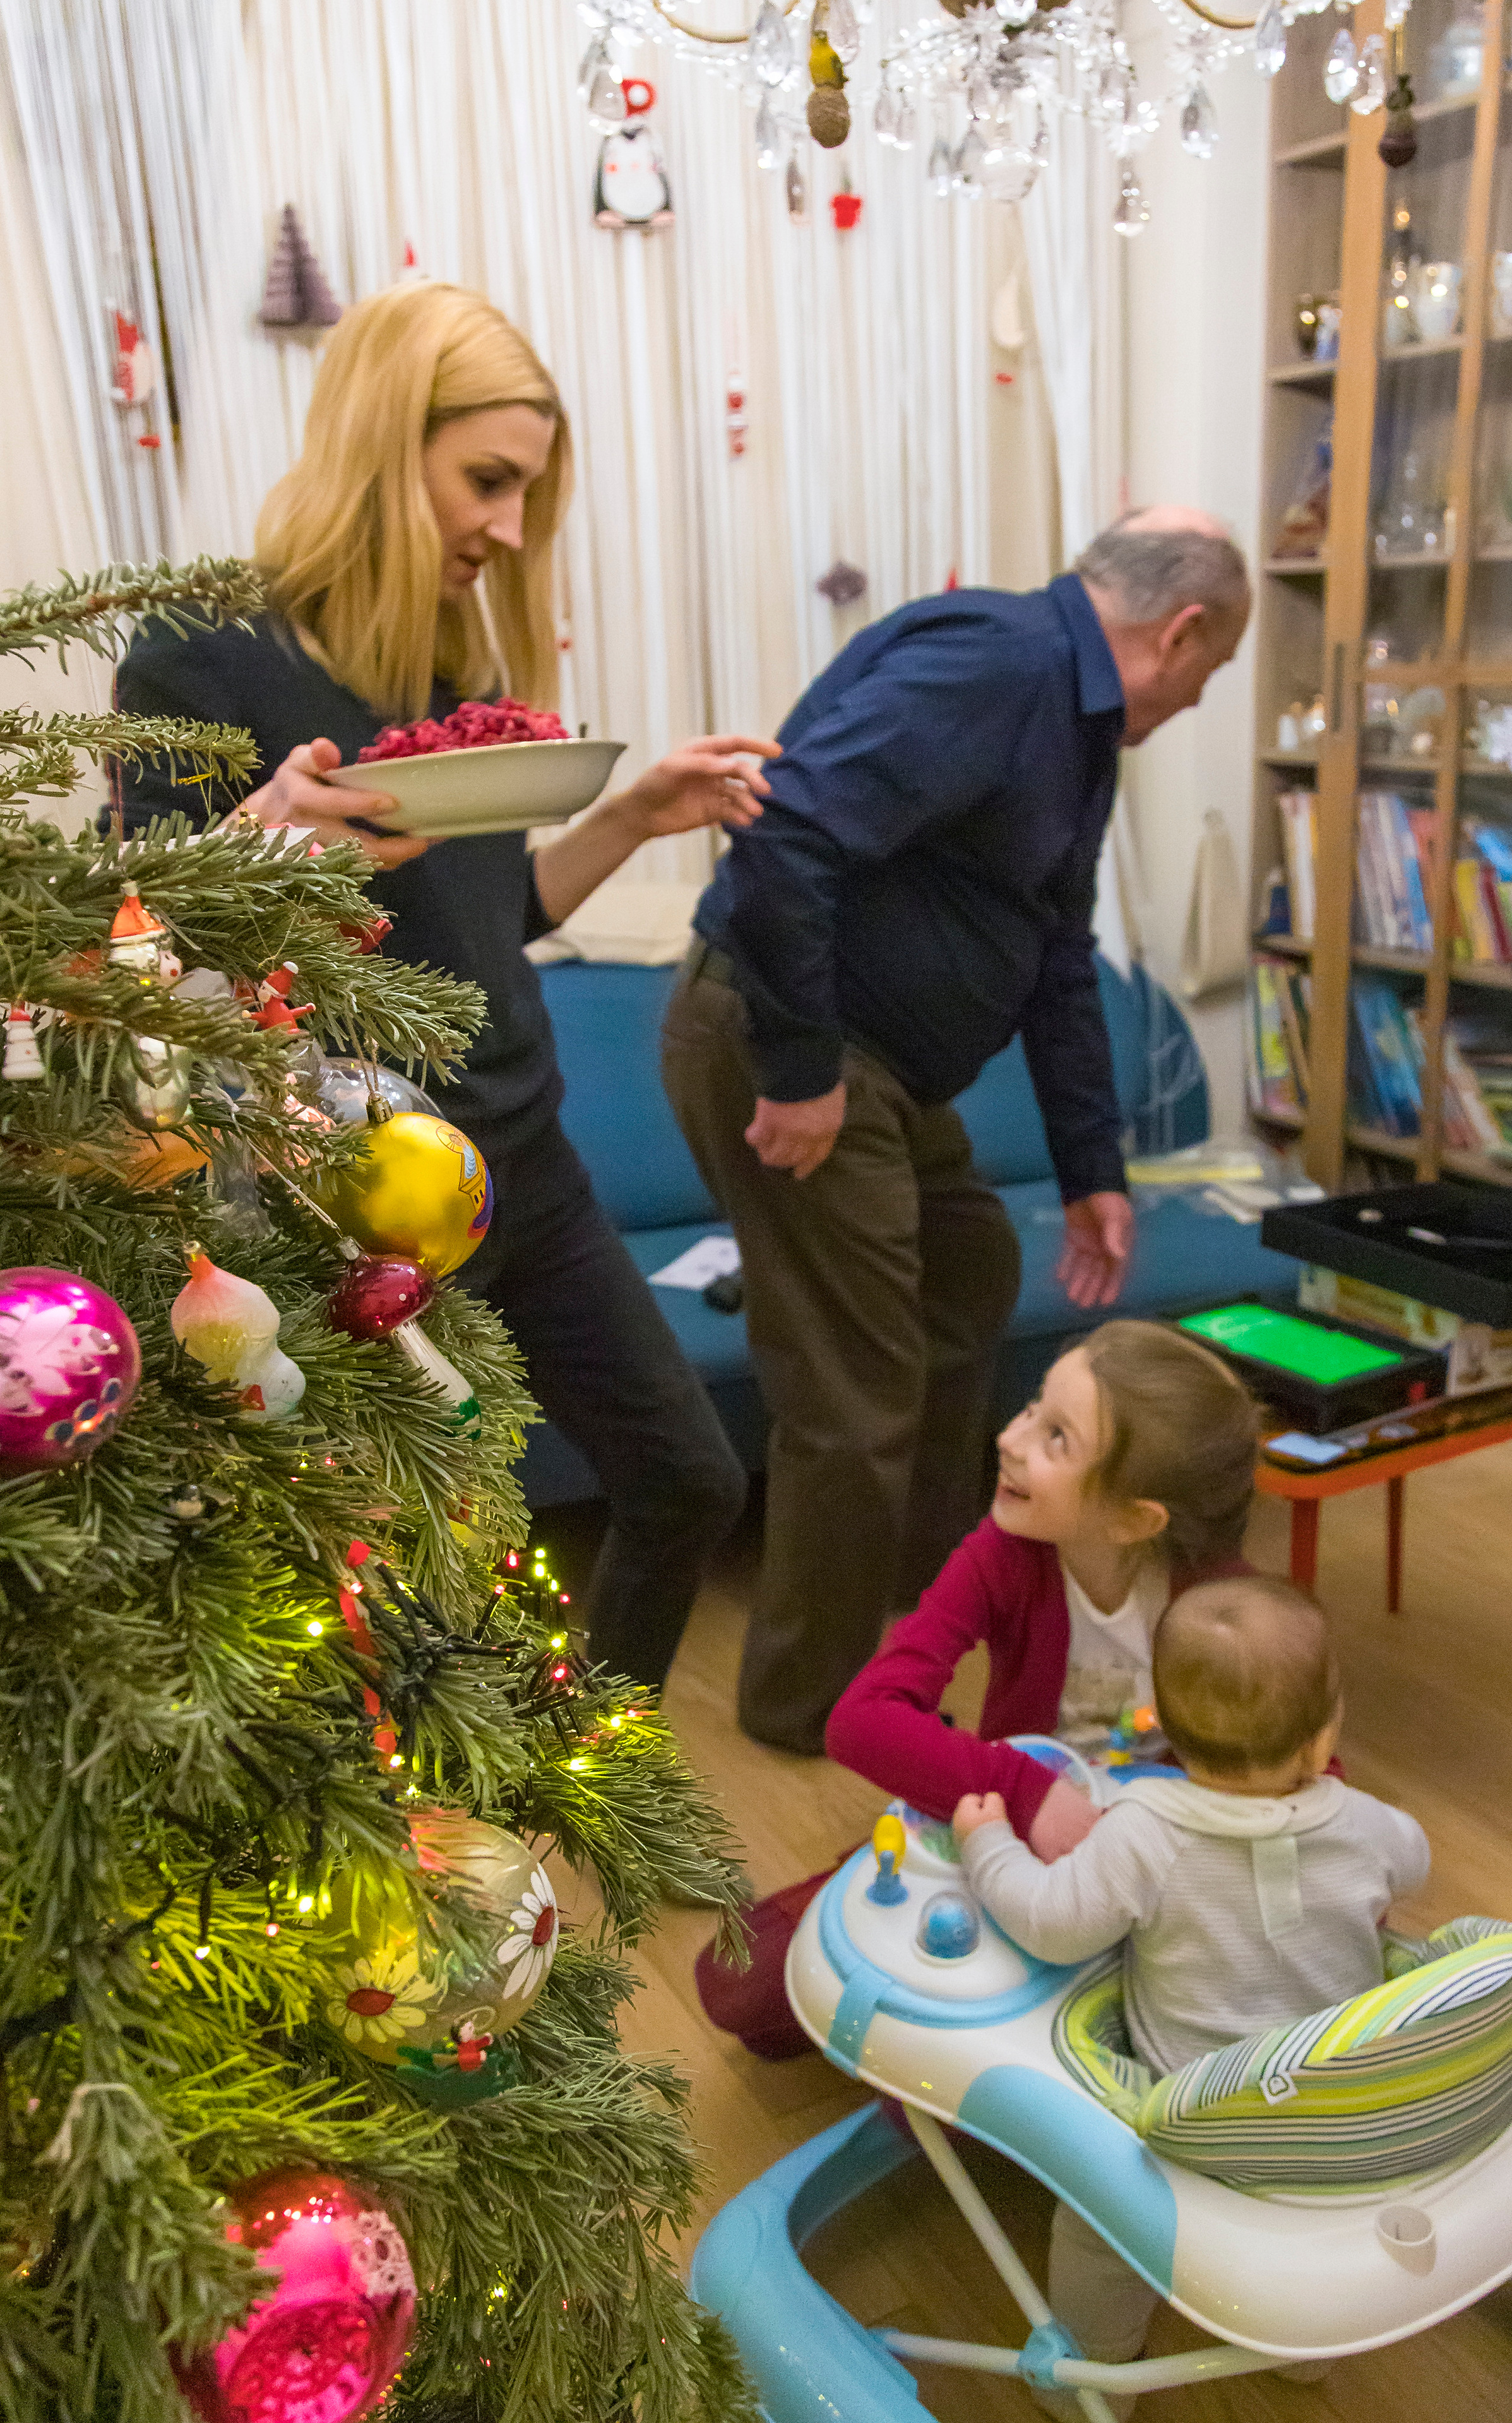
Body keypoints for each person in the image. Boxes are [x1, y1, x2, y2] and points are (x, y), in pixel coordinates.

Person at [110, 280, 779, 1696]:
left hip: (528, 1167)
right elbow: (140, 965)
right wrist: (262, 844)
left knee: (687, 1479)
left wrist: (633, 813)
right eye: (486, 480)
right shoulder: (197, 660)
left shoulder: (442, 676)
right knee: (393, 1591)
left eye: (527, 491)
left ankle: (595, 1777)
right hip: (344, 1206)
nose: (511, 528)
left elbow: (488, 925)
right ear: (378, 441)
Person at [662, 511, 1251, 1754]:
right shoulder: (1000, 663)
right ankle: (813, 1710)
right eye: (1205, 679)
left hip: (879, 1073)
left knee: (972, 1264)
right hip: (797, 1042)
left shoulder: (1074, 722)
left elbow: (1055, 953)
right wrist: (801, 1065)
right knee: (852, 1383)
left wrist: (1094, 1167)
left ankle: (919, 1606)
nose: (1193, 703)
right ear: (1181, 630)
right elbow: (783, 827)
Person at [693, 1322, 1259, 2059]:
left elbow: (1302, 1769)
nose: (1009, 1438)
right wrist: (1021, 1790)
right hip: (1002, 1842)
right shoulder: (1003, 1557)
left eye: (1057, 1437)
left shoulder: (1222, 1603)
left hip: (1147, 1876)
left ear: (1134, 1519)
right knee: (740, 1985)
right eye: (1031, 1407)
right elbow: (860, 1722)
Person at [955, 1575, 1430, 2404]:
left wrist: (986, 1842)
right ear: (1322, 1745)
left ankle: (1094, 2378)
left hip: (1191, 2132)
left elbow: (1049, 1920)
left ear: (1167, 1734)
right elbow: (1416, 1859)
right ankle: (1306, 2348)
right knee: (1313, 2232)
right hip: (1338, 2126)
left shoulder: (1144, 1828)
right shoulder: (1362, 1822)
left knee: (1100, 2218)